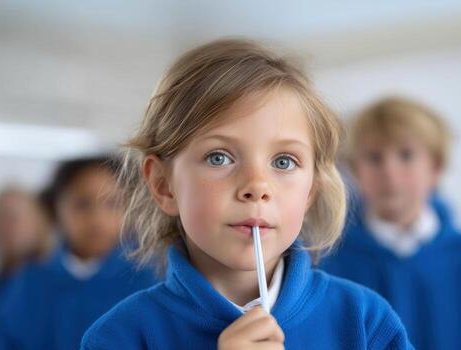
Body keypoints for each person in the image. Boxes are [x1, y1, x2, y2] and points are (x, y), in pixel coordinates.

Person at [81, 38, 412, 349]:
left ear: (311, 189)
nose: (257, 186)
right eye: (219, 157)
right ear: (164, 185)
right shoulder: (120, 336)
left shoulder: (366, 321)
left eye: (284, 161)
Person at [321, 96, 461, 350]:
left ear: (437, 166)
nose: (389, 172)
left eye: (406, 155)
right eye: (374, 158)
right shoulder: (331, 261)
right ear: (354, 170)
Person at [0, 156, 158, 350]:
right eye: (82, 204)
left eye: (112, 203)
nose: (97, 218)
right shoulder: (27, 285)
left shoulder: (148, 281)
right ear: (56, 208)